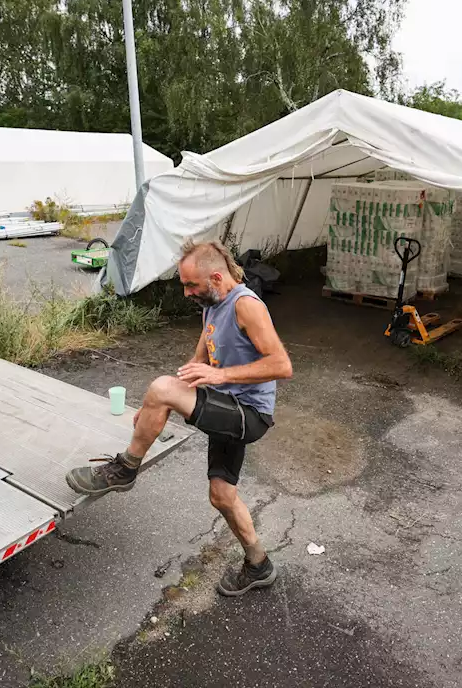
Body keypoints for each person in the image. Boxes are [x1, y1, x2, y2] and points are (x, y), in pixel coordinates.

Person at [66, 240, 293, 596]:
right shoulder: (211, 305)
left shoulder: (246, 306)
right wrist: (156, 407)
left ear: (216, 277)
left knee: (162, 388)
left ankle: (125, 470)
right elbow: (195, 365)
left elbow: (282, 365)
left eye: (192, 286)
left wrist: (218, 378)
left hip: (249, 415)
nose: (187, 292)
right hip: (226, 407)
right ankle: (258, 564)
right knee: (221, 496)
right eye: (184, 285)